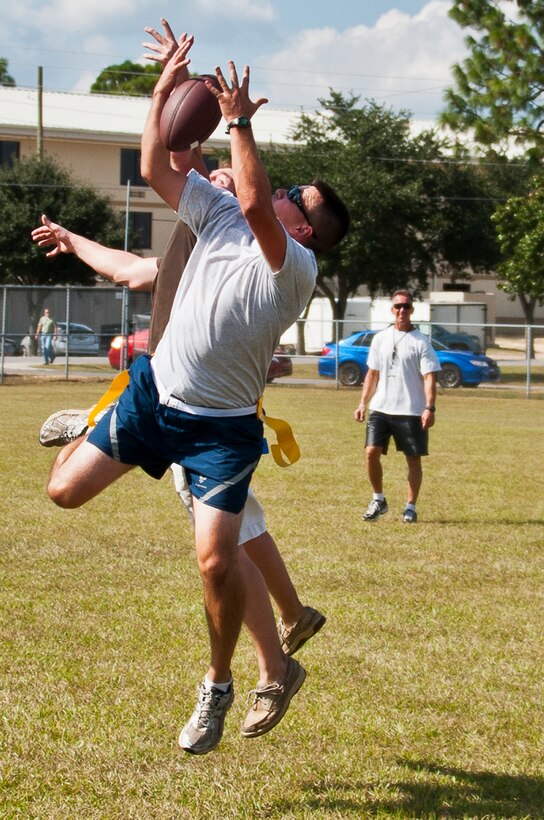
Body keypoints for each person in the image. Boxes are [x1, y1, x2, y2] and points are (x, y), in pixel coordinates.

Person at [42, 34, 349, 755]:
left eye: (291, 197)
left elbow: (253, 196)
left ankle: (219, 684)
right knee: (61, 494)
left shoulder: (292, 266)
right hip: (155, 399)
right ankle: (95, 419)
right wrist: (162, 92)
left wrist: (238, 120)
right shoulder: (212, 216)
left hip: (220, 433)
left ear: (303, 226)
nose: (279, 191)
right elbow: (156, 164)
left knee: (215, 558)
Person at [31, 205, 326, 657]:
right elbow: (127, 268)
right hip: (164, 400)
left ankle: (276, 657)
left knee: (224, 549)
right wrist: (72, 240)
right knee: (236, 531)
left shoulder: (253, 263)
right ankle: (291, 617)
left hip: (204, 415)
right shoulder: (195, 256)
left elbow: (198, 180)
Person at [353, 290, 441, 524]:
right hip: (381, 408)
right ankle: (378, 499)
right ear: (392, 310)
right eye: (398, 306)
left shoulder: (421, 342)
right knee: (371, 452)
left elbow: (430, 377)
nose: (402, 310)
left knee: (413, 458)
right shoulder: (380, 338)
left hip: (411, 410)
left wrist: (429, 407)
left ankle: (410, 507)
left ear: (412, 310)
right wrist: (363, 402)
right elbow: (372, 373)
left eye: (406, 306)